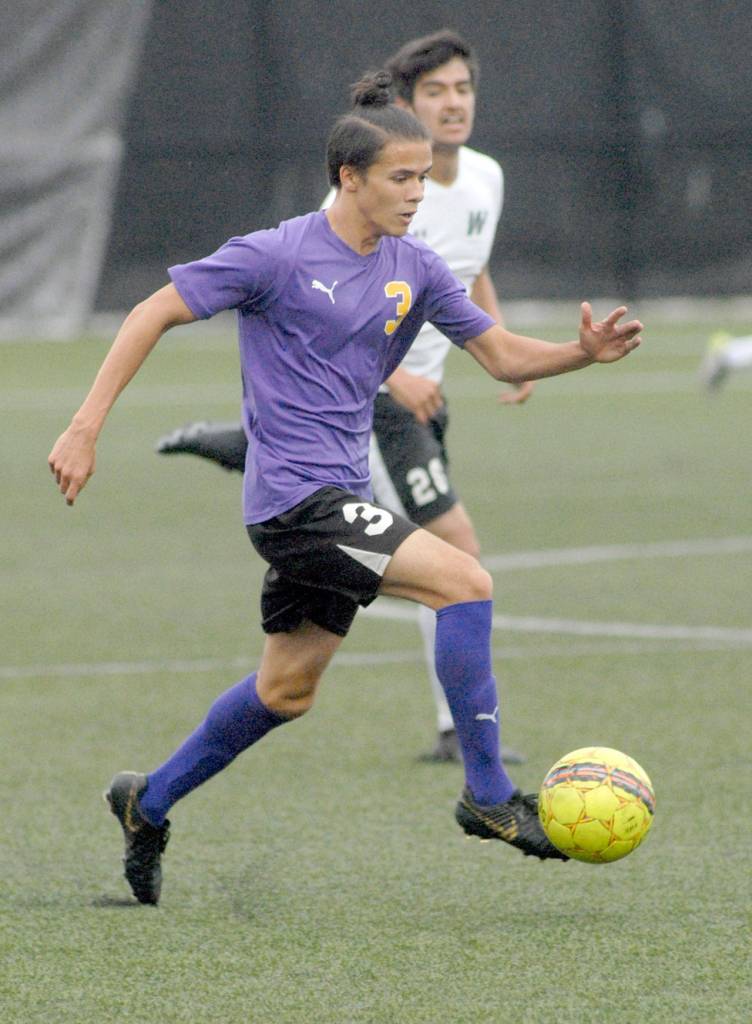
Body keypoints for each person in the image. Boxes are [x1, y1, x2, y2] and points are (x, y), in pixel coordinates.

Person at [49, 72, 642, 905]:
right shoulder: (277, 254)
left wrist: (583, 353)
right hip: (296, 504)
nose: (419, 190)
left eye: (426, 173)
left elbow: (501, 355)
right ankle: (488, 797)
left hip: (335, 497)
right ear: (348, 177)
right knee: (466, 582)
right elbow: (152, 311)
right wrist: (85, 425)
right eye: (403, 176)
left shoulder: (416, 267)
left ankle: (148, 802)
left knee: (285, 691)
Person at [156, 30, 533, 765]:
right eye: (435, 93)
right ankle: (473, 764)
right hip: (383, 407)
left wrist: (508, 345)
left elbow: (469, 273)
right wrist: (397, 377)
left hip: (397, 414)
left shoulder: (480, 179)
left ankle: (149, 799)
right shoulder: (356, 198)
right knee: (458, 562)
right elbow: (333, 314)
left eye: (463, 89)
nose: (452, 105)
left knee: (286, 689)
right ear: (404, 106)